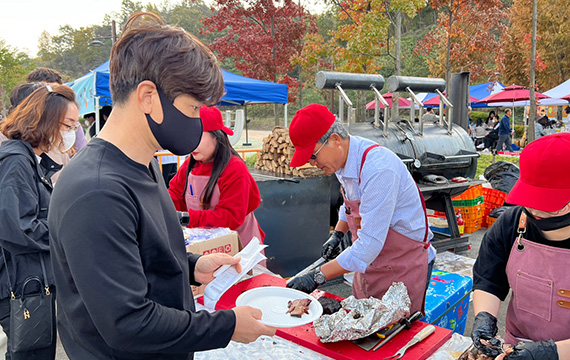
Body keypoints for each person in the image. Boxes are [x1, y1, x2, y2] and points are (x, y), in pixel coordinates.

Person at [48, 12, 275, 360]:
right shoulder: (96, 191)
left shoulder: (146, 164)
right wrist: (226, 327)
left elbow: (141, 255)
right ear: (148, 97)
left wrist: (190, 265)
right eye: (194, 107)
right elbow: (127, 322)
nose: (198, 123)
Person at [286, 104, 436, 314]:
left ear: (335, 140)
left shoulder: (378, 170)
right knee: (362, 325)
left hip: (403, 265)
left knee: (394, 336)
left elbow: (368, 246)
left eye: (313, 156)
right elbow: (350, 203)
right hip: (371, 263)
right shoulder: (343, 162)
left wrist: (318, 275)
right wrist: (338, 233)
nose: (312, 164)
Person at [472, 133, 570, 360]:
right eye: (531, 200)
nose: (535, 211)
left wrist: (551, 353)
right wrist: (484, 317)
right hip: (516, 349)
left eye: (549, 205)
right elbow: (489, 278)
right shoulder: (513, 223)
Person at [0, 84, 79, 360]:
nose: (72, 133)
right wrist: (66, 231)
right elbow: (18, 228)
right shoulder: (16, 161)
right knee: (31, 353)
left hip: (31, 279)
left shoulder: (31, 160)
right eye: (68, 125)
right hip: (23, 283)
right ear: (45, 121)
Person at [168, 105, 265, 249]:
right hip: (205, 243)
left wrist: (187, 218)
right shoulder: (190, 165)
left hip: (238, 247)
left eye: (198, 136)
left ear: (216, 136)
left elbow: (230, 218)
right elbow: (175, 195)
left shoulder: (234, 168)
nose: (191, 143)